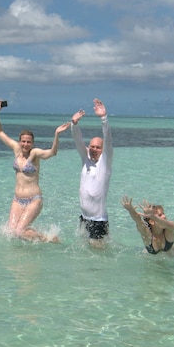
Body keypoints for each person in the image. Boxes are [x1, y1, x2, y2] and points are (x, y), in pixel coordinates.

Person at [0, 101, 71, 242]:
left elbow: (52, 153)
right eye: (23, 141)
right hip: (17, 200)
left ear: (32, 143)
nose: (25, 144)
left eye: (28, 142)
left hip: (34, 199)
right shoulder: (16, 150)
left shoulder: (35, 154)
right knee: (10, 232)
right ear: (20, 141)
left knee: (20, 231)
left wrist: (57, 135)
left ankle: (46, 238)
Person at [71, 98, 113, 246]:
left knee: (98, 261)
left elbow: (108, 140)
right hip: (84, 218)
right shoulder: (86, 160)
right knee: (83, 257)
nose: (94, 149)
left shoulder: (105, 164)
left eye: (98, 147)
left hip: (98, 221)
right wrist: (74, 124)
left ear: (103, 150)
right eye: (92, 147)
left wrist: (104, 118)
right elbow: (78, 141)